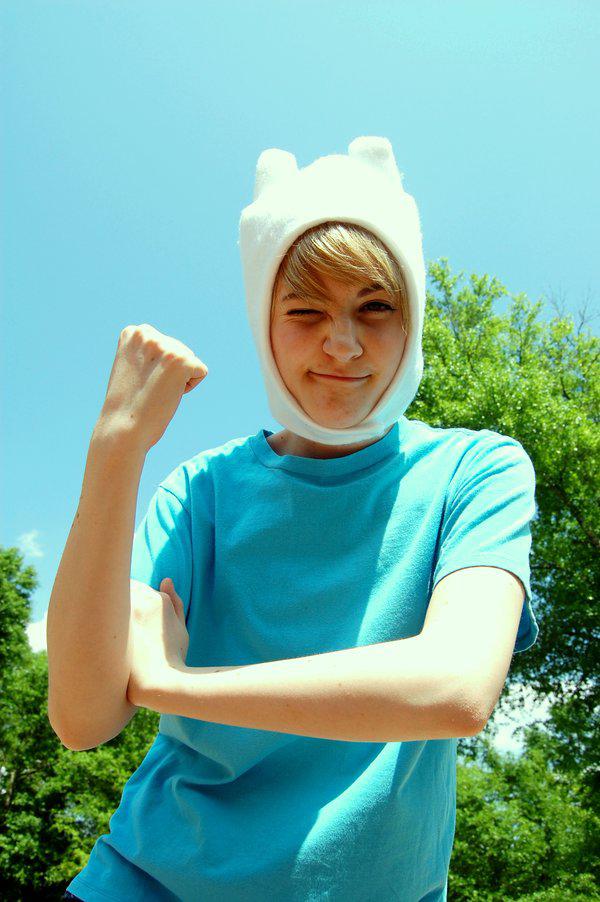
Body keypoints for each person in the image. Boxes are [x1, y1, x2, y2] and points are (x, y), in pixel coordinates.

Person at [62, 137, 539, 901]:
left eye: (375, 306)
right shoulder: (202, 490)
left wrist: (171, 683)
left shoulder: (477, 470)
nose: (342, 344)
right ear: (264, 321)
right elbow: (83, 718)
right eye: (305, 309)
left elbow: (455, 688)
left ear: (413, 314)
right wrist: (116, 448)